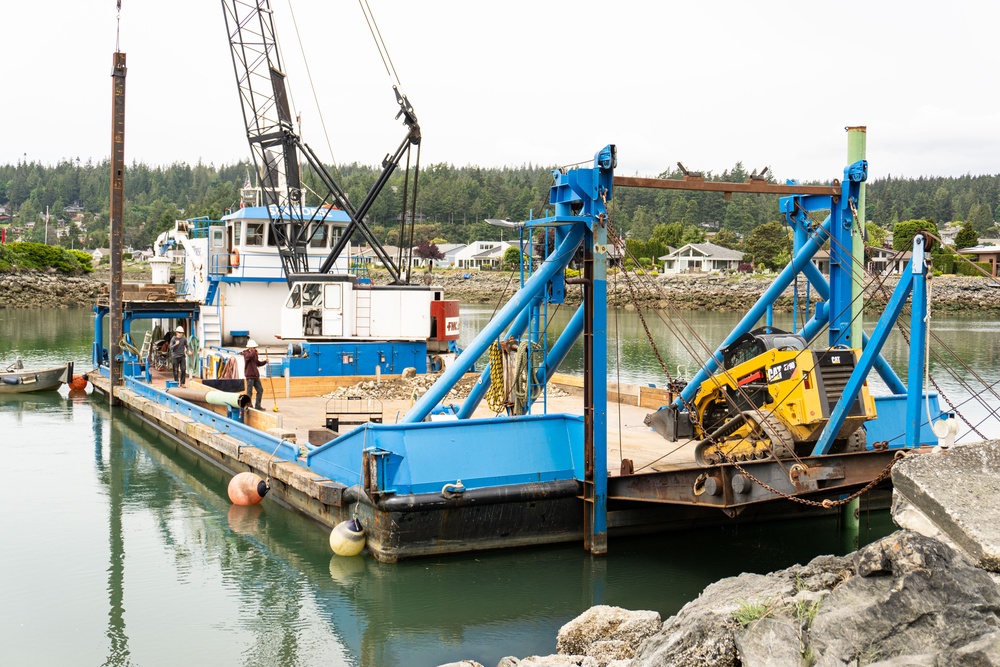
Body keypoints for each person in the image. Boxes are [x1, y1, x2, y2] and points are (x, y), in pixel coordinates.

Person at [241, 339, 267, 410]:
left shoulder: (254, 354)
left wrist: (265, 362)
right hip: (249, 376)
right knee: (249, 392)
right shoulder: (246, 354)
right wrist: (254, 352)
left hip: (255, 375)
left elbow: (257, 363)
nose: (255, 349)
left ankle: (257, 405)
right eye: (254, 348)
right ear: (250, 347)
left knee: (260, 390)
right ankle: (249, 405)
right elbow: (248, 357)